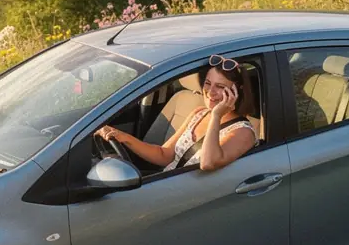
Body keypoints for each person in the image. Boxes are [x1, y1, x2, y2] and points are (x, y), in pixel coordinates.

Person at [96, 55, 258, 172]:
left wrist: (216, 115)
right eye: (208, 83)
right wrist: (122, 137)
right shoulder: (199, 113)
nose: (210, 92)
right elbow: (164, 154)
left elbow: (208, 163)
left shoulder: (243, 132)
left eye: (220, 87)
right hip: (171, 186)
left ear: (237, 91)